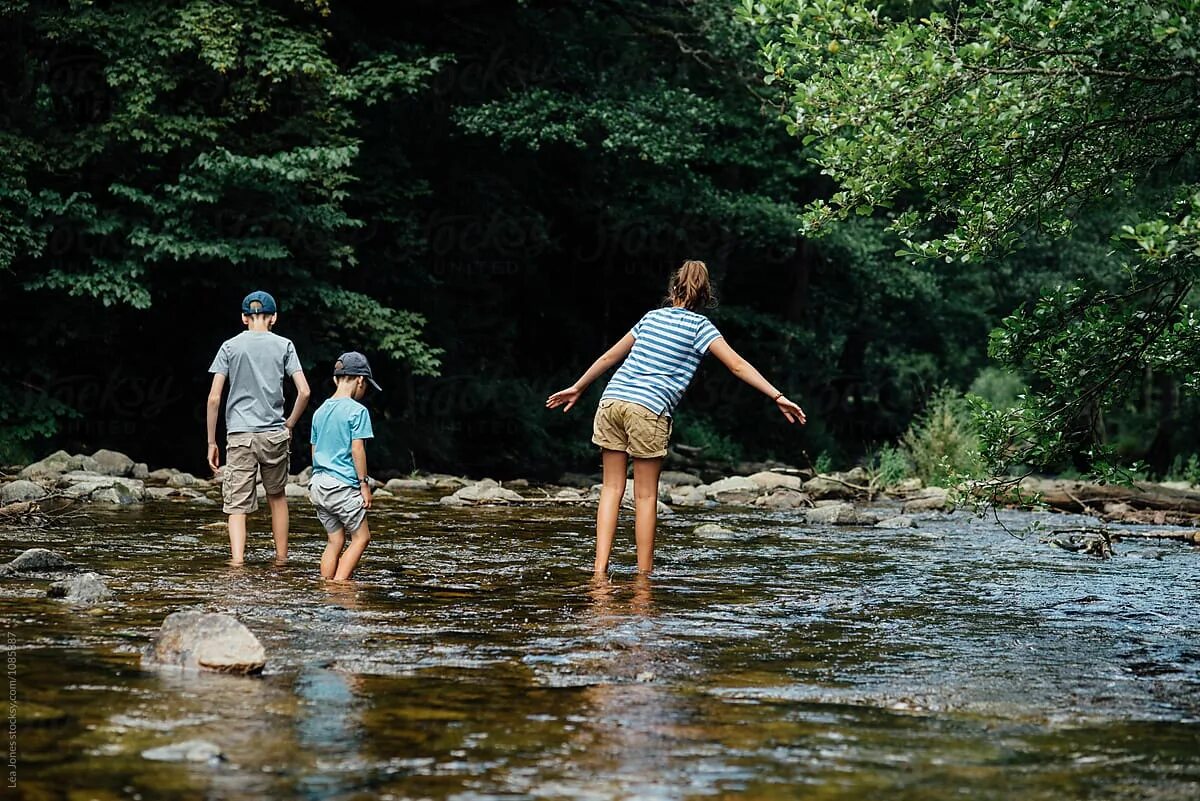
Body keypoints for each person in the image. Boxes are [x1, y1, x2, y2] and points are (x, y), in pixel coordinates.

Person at [546, 260, 806, 576]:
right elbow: (737, 366)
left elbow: (610, 357)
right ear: (705, 296)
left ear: (673, 289)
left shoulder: (650, 318)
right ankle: (643, 578)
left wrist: (578, 387)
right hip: (648, 408)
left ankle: (599, 571)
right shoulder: (701, 328)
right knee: (644, 495)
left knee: (611, 488)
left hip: (611, 401)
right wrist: (777, 396)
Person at [206, 291, 311, 565]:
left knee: (237, 506)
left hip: (240, 435)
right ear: (274, 317)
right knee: (277, 497)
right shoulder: (284, 345)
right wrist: (289, 423)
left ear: (243, 317)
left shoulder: (229, 347)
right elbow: (305, 392)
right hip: (274, 433)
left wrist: (211, 442)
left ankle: (237, 563)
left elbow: (214, 397)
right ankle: (281, 560)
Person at [309, 352, 380, 581]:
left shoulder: (319, 411)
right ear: (360, 380)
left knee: (335, 540)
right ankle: (339, 585)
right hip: (342, 487)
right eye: (366, 385)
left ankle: (326, 585)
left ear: (335, 379)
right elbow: (357, 449)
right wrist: (364, 484)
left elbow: (314, 449)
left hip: (318, 485)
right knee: (361, 538)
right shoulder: (358, 411)